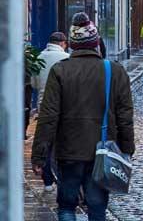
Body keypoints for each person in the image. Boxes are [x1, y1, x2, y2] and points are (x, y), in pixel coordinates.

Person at [31, 13, 135, 221]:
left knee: (66, 206)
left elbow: (48, 117)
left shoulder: (60, 71)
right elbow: (125, 115)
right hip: (102, 150)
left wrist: (39, 155)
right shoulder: (114, 71)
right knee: (97, 208)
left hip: (68, 150)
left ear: (71, 45)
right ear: (96, 43)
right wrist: (127, 149)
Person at [32, 32, 70, 188]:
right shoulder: (66, 59)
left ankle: (47, 180)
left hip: (43, 105)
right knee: (61, 141)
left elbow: (34, 84)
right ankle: (61, 176)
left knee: (45, 141)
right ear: (62, 43)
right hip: (62, 105)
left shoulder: (39, 58)